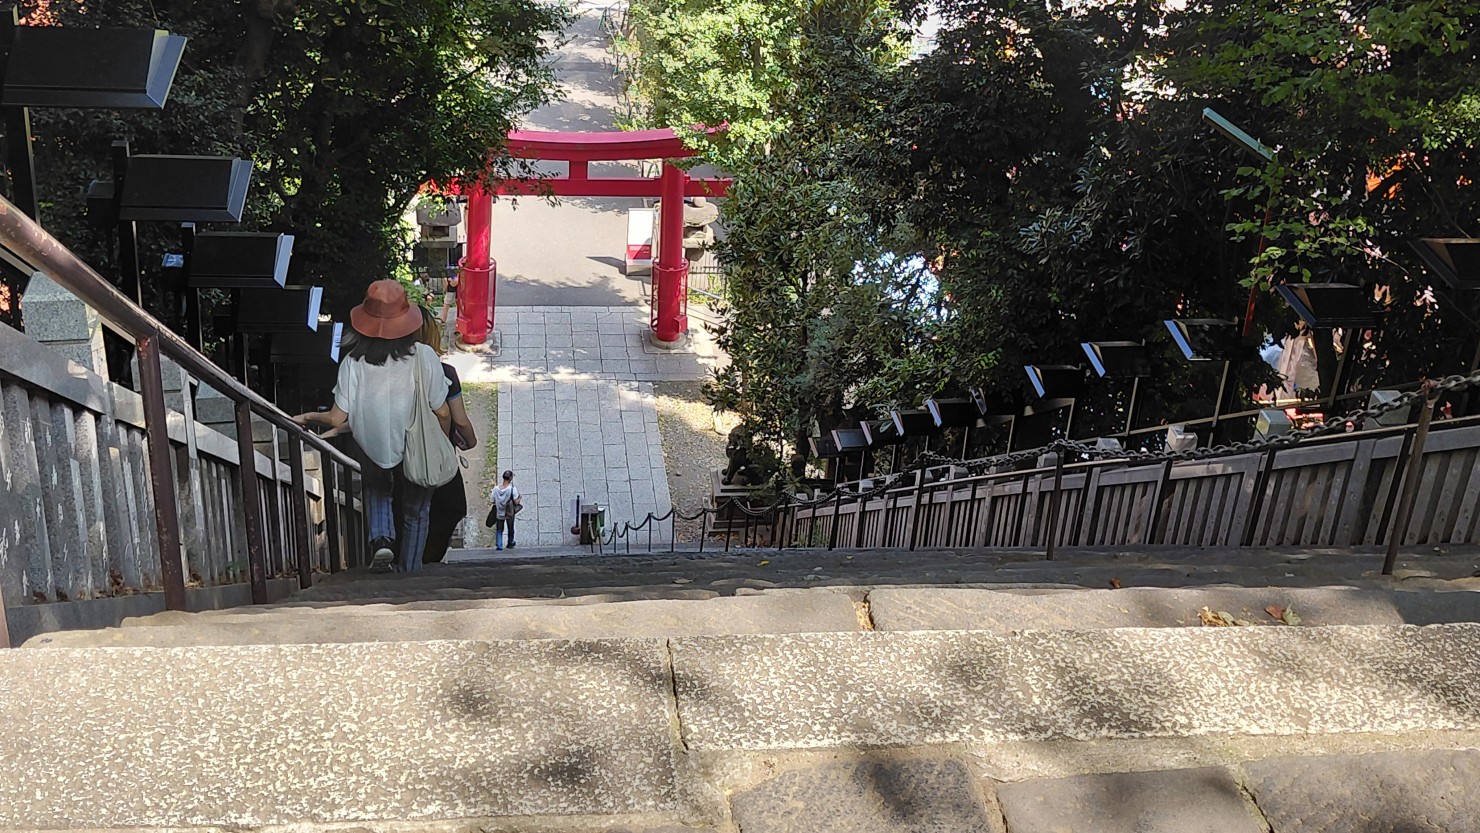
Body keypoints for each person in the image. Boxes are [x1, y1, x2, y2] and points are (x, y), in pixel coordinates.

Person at [293, 280, 450, 572]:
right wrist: (441, 439)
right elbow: (441, 410)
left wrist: (309, 416)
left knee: (378, 488)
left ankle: (381, 540)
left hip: (372, 443)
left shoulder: (354, 361)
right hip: (416, 444)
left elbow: (338, 418)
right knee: (416, 510)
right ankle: (410, 570)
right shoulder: (425, 357)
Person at [416, 314, 477, 563]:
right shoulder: (445, 373)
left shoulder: (393, 371)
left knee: (413, 508)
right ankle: (428, 559)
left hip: (403, 449)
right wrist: (470, 441)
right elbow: (458, 419)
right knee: (452, 506)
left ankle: (412, 559)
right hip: (437, 454)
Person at [487, 470, 520, 550]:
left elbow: (492, 501)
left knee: (499, 529)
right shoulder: (512, 489)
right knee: (510, 528)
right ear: (511, 478)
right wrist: (520, 498)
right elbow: (516, 502)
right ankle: (510, 543)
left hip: (499, 513)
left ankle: (499, 546)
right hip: (509, 513)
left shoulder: (495, 489)